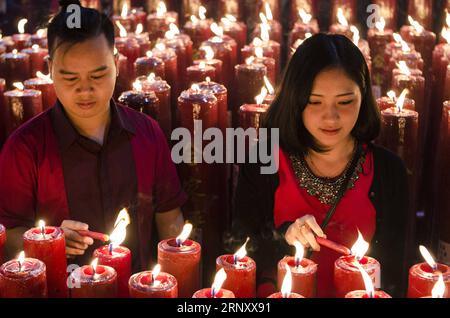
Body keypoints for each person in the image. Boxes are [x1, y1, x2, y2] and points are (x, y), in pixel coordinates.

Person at [0, 0, 187, 272]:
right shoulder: (24, 149)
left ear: (116, 62)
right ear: (50, 68)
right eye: (70, 78)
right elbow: (8, 237)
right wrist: (46, 242)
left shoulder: (146, 134)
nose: (85, 90)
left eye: (98, 75)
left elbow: (170, 218)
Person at [230, 33, 409, 298]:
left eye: (345, 101)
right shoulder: (263, 162)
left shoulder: (388, 171)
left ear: (364, 97)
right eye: (314, 101)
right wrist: (284, 235)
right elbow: (239, 248)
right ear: (295, 100)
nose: (331, 116)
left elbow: (393, 272)